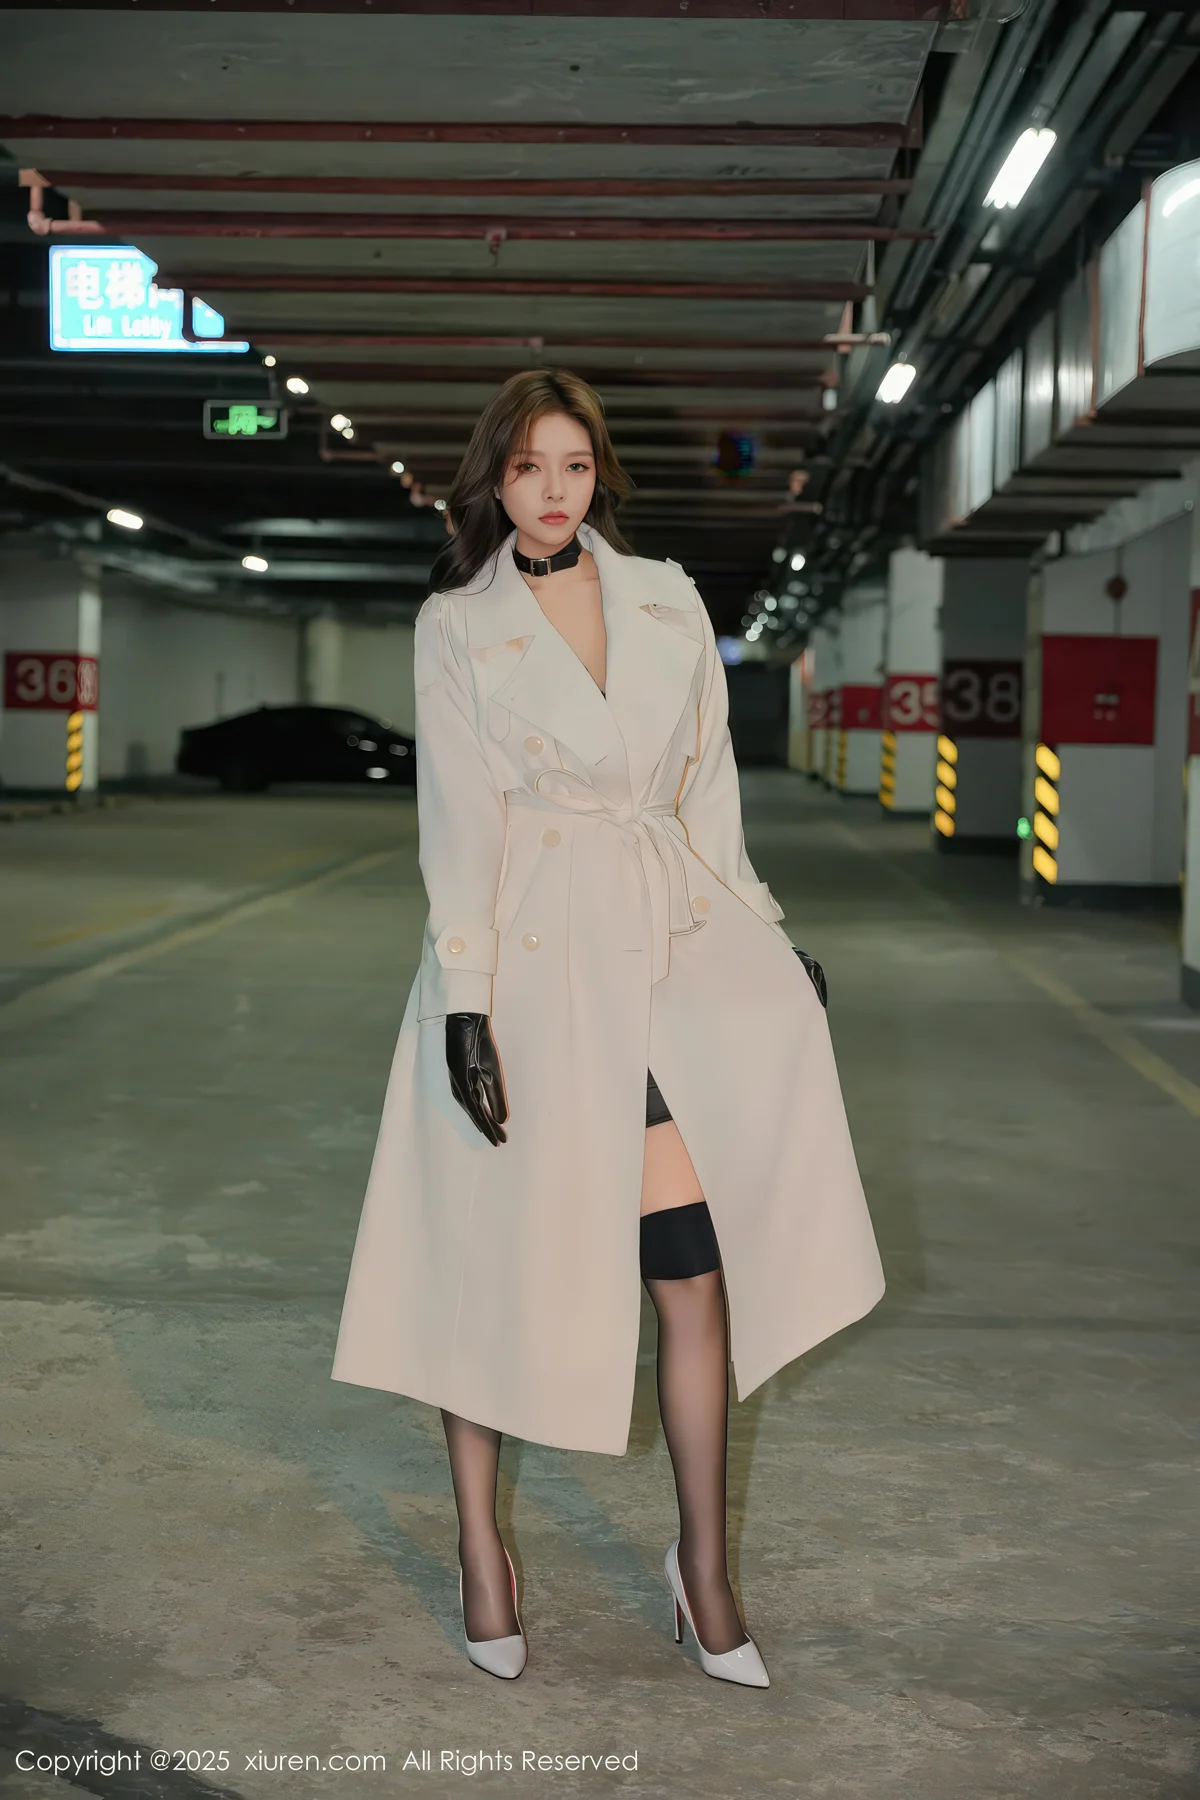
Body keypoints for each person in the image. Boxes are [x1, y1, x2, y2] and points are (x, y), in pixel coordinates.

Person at [331, 369, 885, 1688]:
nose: (552, 491)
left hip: (672, 947)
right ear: (494, 479)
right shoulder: (457, 625)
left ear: (599, 476)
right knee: (487, 1271)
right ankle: (482, 1552)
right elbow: (457, 832)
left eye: (574, 466)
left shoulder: (666, 600)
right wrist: (466, 1006)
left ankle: (703, 1571)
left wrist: (765, 929)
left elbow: (709, 796)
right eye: (527, 467)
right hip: (530, 968)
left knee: (691, 1272)